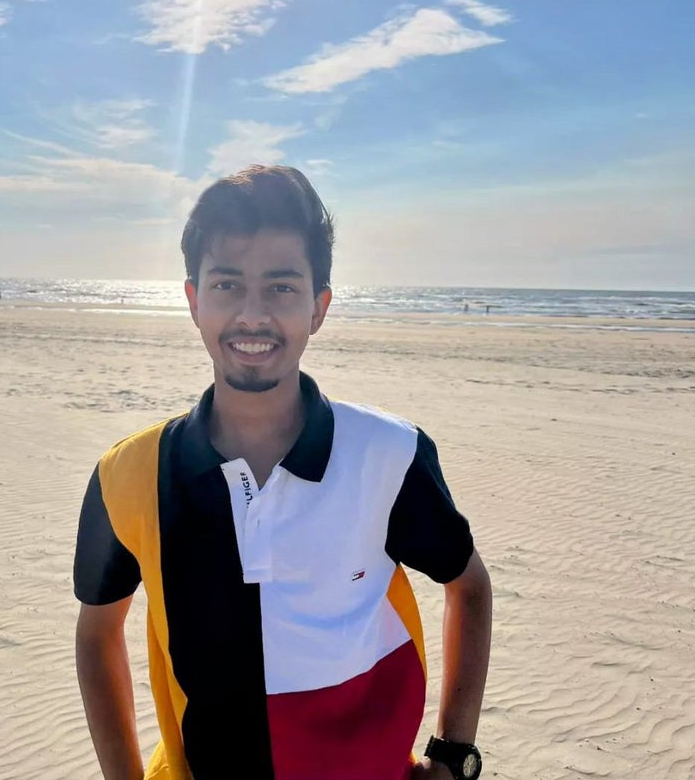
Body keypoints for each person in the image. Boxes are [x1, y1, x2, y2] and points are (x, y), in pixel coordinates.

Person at [73, 165, 492, 780]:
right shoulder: (128, 475)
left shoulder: (389, 454)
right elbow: (97, 634)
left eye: (281, 287)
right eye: (227, 284)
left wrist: (454, 754)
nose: (252, 315)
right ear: (193, 301)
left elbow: (469, 586)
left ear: (319, 307)